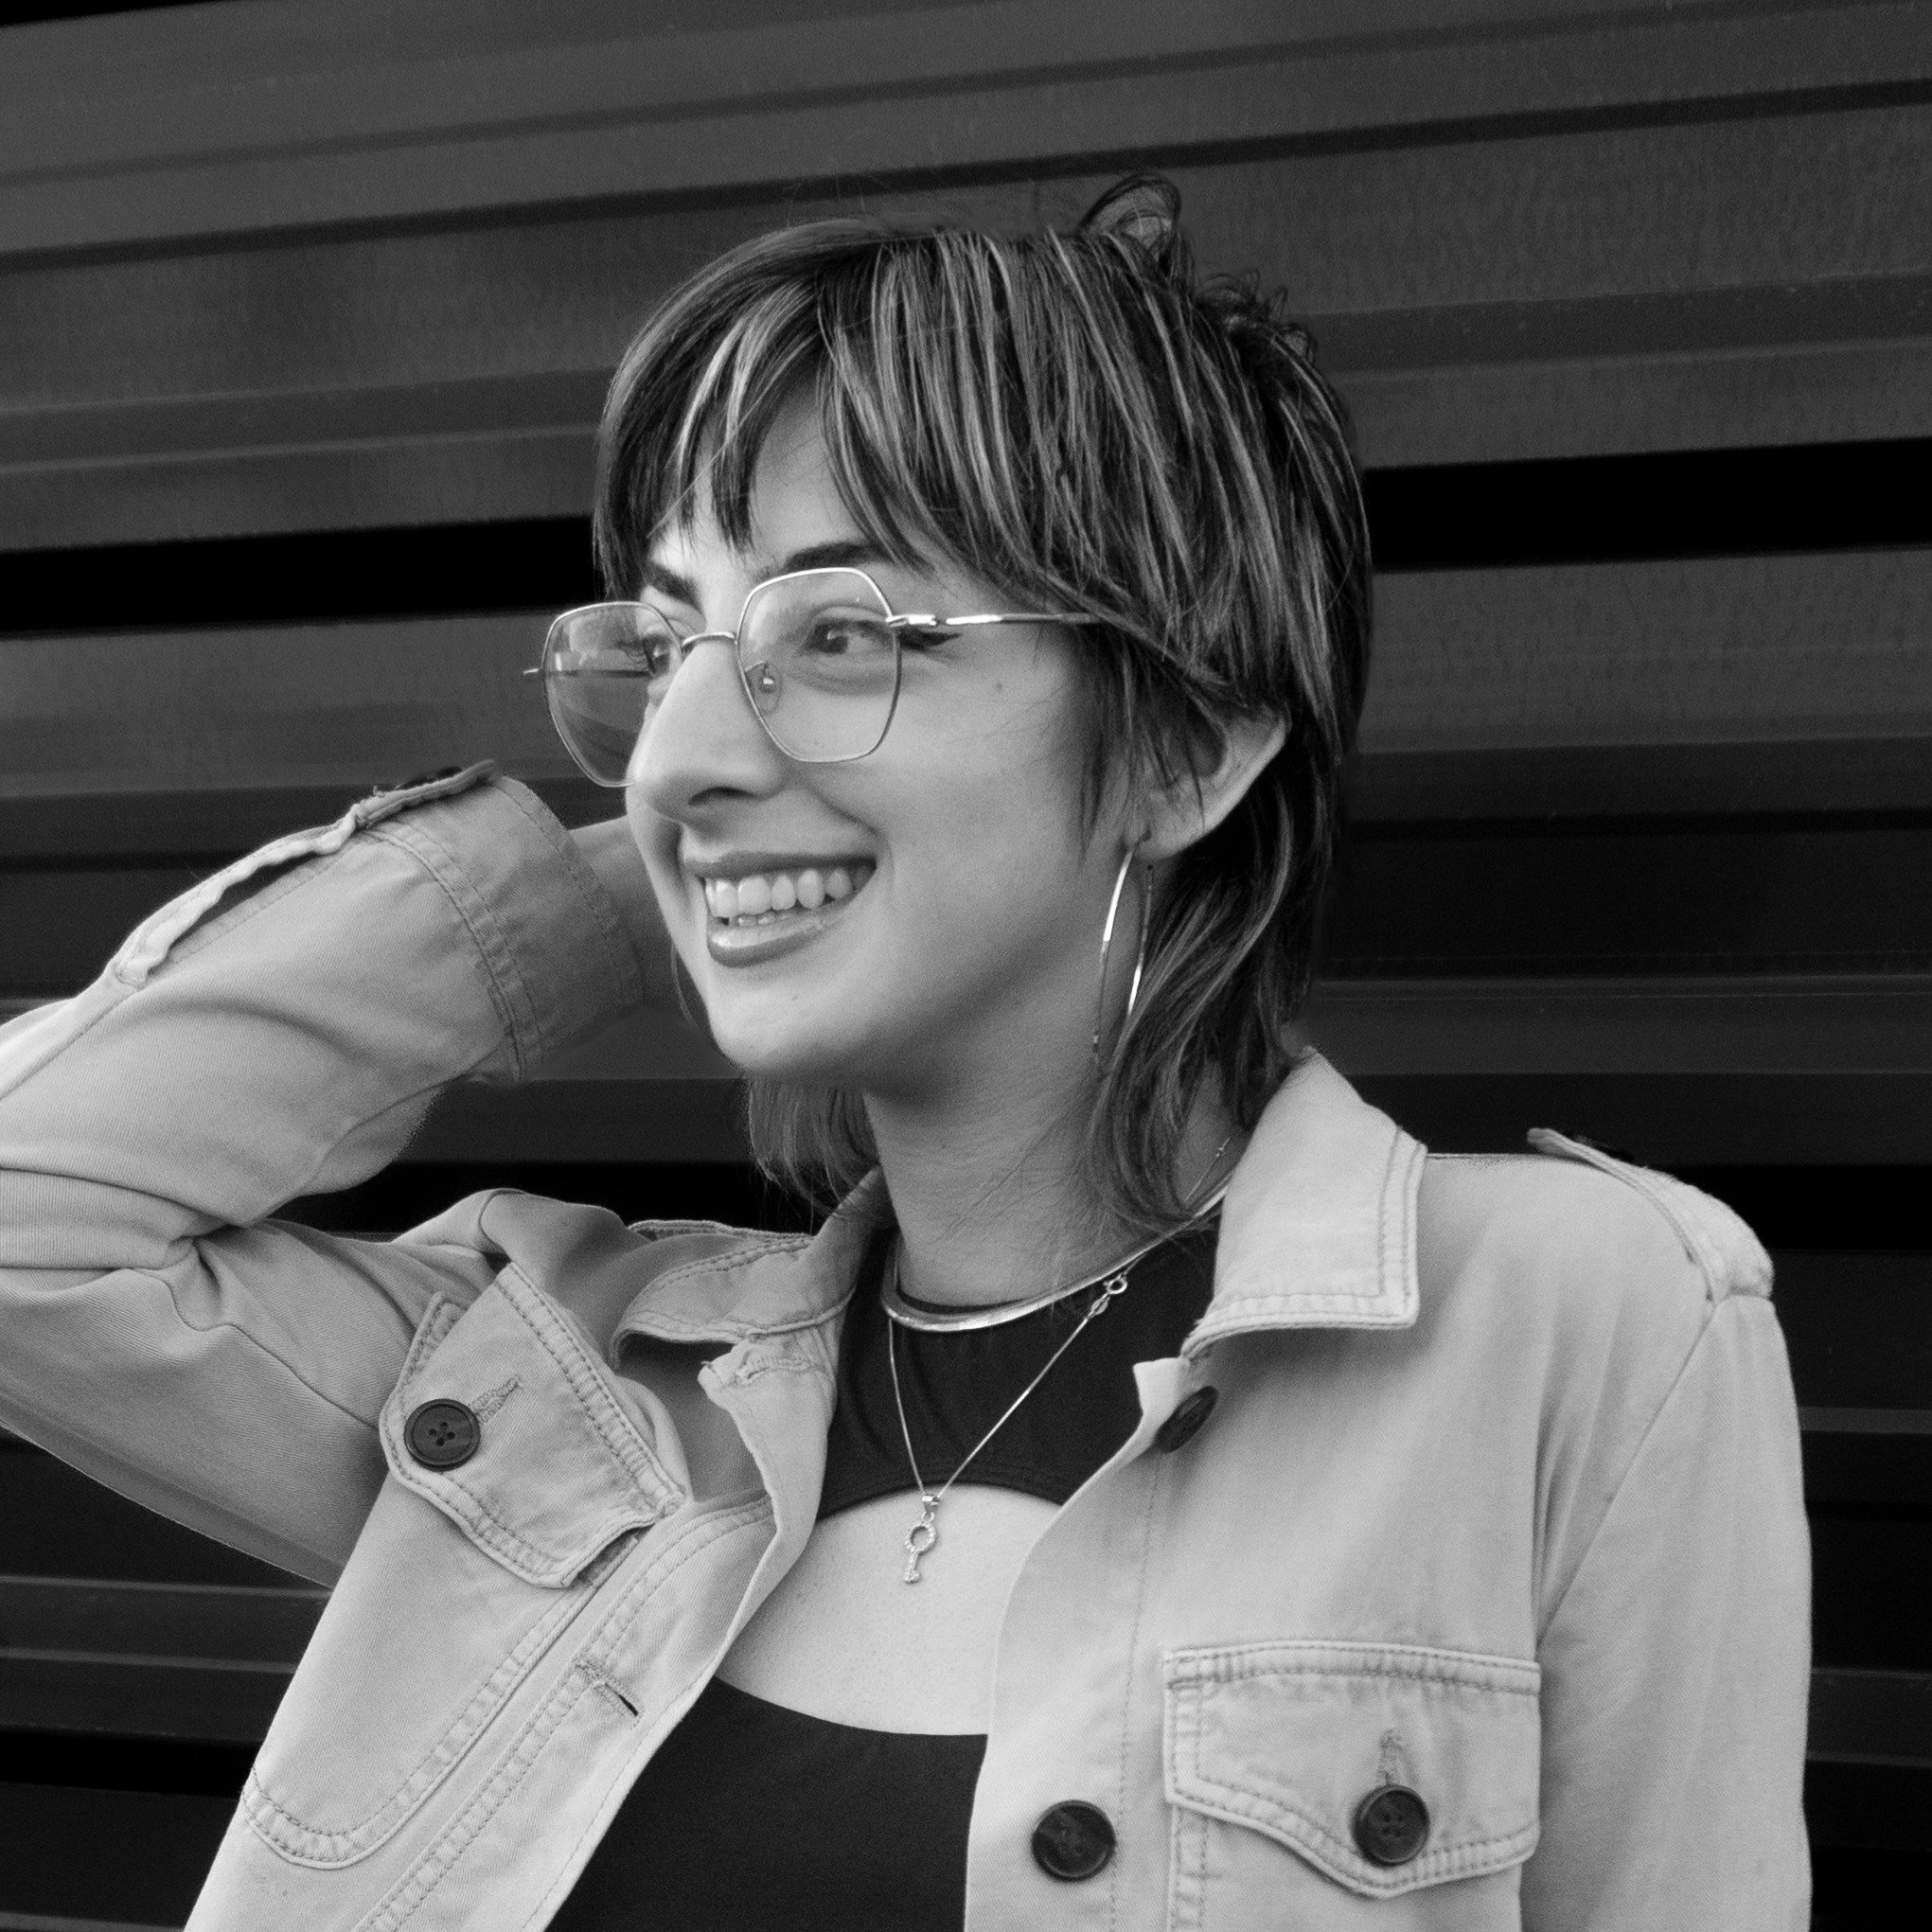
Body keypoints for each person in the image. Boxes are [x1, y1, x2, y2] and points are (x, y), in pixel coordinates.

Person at [0, 178, 1808, 1929]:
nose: (663, 752)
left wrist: (798, 841)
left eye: (841, 631)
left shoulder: (1579, 1325)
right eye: (667, 643)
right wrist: (690, 869)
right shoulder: (556, 1385)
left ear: (1187, 746)